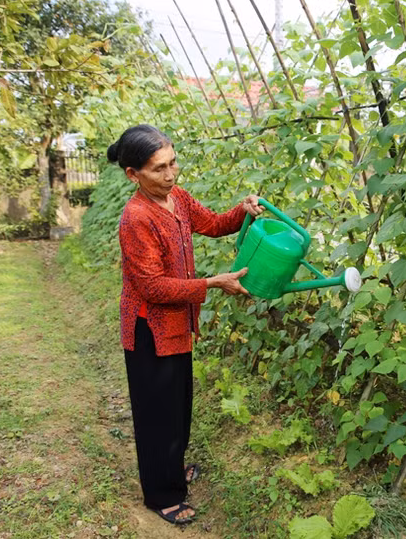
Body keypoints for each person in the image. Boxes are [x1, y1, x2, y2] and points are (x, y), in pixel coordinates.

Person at [108, 124, 263, 525]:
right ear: (133, 175)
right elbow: (153, 287)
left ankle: (173, 471)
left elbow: (212, 223)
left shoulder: (175, 197)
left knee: (177, 407)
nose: (171, 174)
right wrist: (212, 283)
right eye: (159, 168)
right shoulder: (136, 218)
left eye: (173, 162)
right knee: (156, 412)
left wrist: (240, 212)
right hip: (148, 329)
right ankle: (161, 494)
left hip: (176, 323)